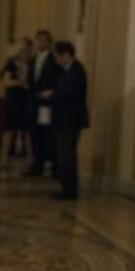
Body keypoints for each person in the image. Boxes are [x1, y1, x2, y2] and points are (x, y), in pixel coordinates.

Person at [47, 41, 88, 200]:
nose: (55, 59)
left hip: (70, 121)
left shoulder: (76, 70)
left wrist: (52, 95)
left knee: (67, 157)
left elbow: (69, 95)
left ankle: (69, 190)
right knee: (64, 156)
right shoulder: (66, 71)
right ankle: (65, 187)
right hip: (64, 121)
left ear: (65, 54)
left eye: (56, 55)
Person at [25, 29, 62, 178]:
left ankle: (53, 166)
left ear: (49, 42)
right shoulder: (32, 60)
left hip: (47, 102)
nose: (42, 42)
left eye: (45, 40)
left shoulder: (54, 60)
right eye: (39, 39)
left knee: (48, 135)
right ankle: (37, 165)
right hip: (34, 101)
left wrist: (50, 92)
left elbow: (57, 79)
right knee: (35, 134)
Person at [0, 38, 32, 167]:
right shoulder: (11, 64)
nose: (23, 51)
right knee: (9, 128)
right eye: (21, 48)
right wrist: (20, 82)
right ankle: (4, 158)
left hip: (27, 98)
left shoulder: (31, 63)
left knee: (27, 130)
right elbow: (6, 83)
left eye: (26, 49)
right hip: (14, 98)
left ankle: (30, 158)